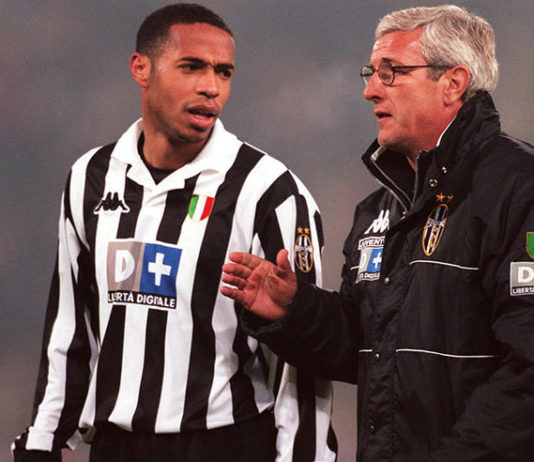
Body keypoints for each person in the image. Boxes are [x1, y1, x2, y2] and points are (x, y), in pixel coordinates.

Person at [12, 4, 337, 462]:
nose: (211, 86)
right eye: (192, 67)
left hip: (225, 445)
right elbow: (71, 326)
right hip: (116, 447)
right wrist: (42, 441)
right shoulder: (90, 178)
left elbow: (301, 361)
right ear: (141, 69)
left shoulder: (270, 191)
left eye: (223, 72)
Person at [221, 4, 534, 461]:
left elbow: (527, 369)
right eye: (372, 73)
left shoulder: (519, 188)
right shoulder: (379, 208)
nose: (370, 90)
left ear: (453, 83)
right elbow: (370, 349)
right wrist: (294, 311)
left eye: (392, 72)